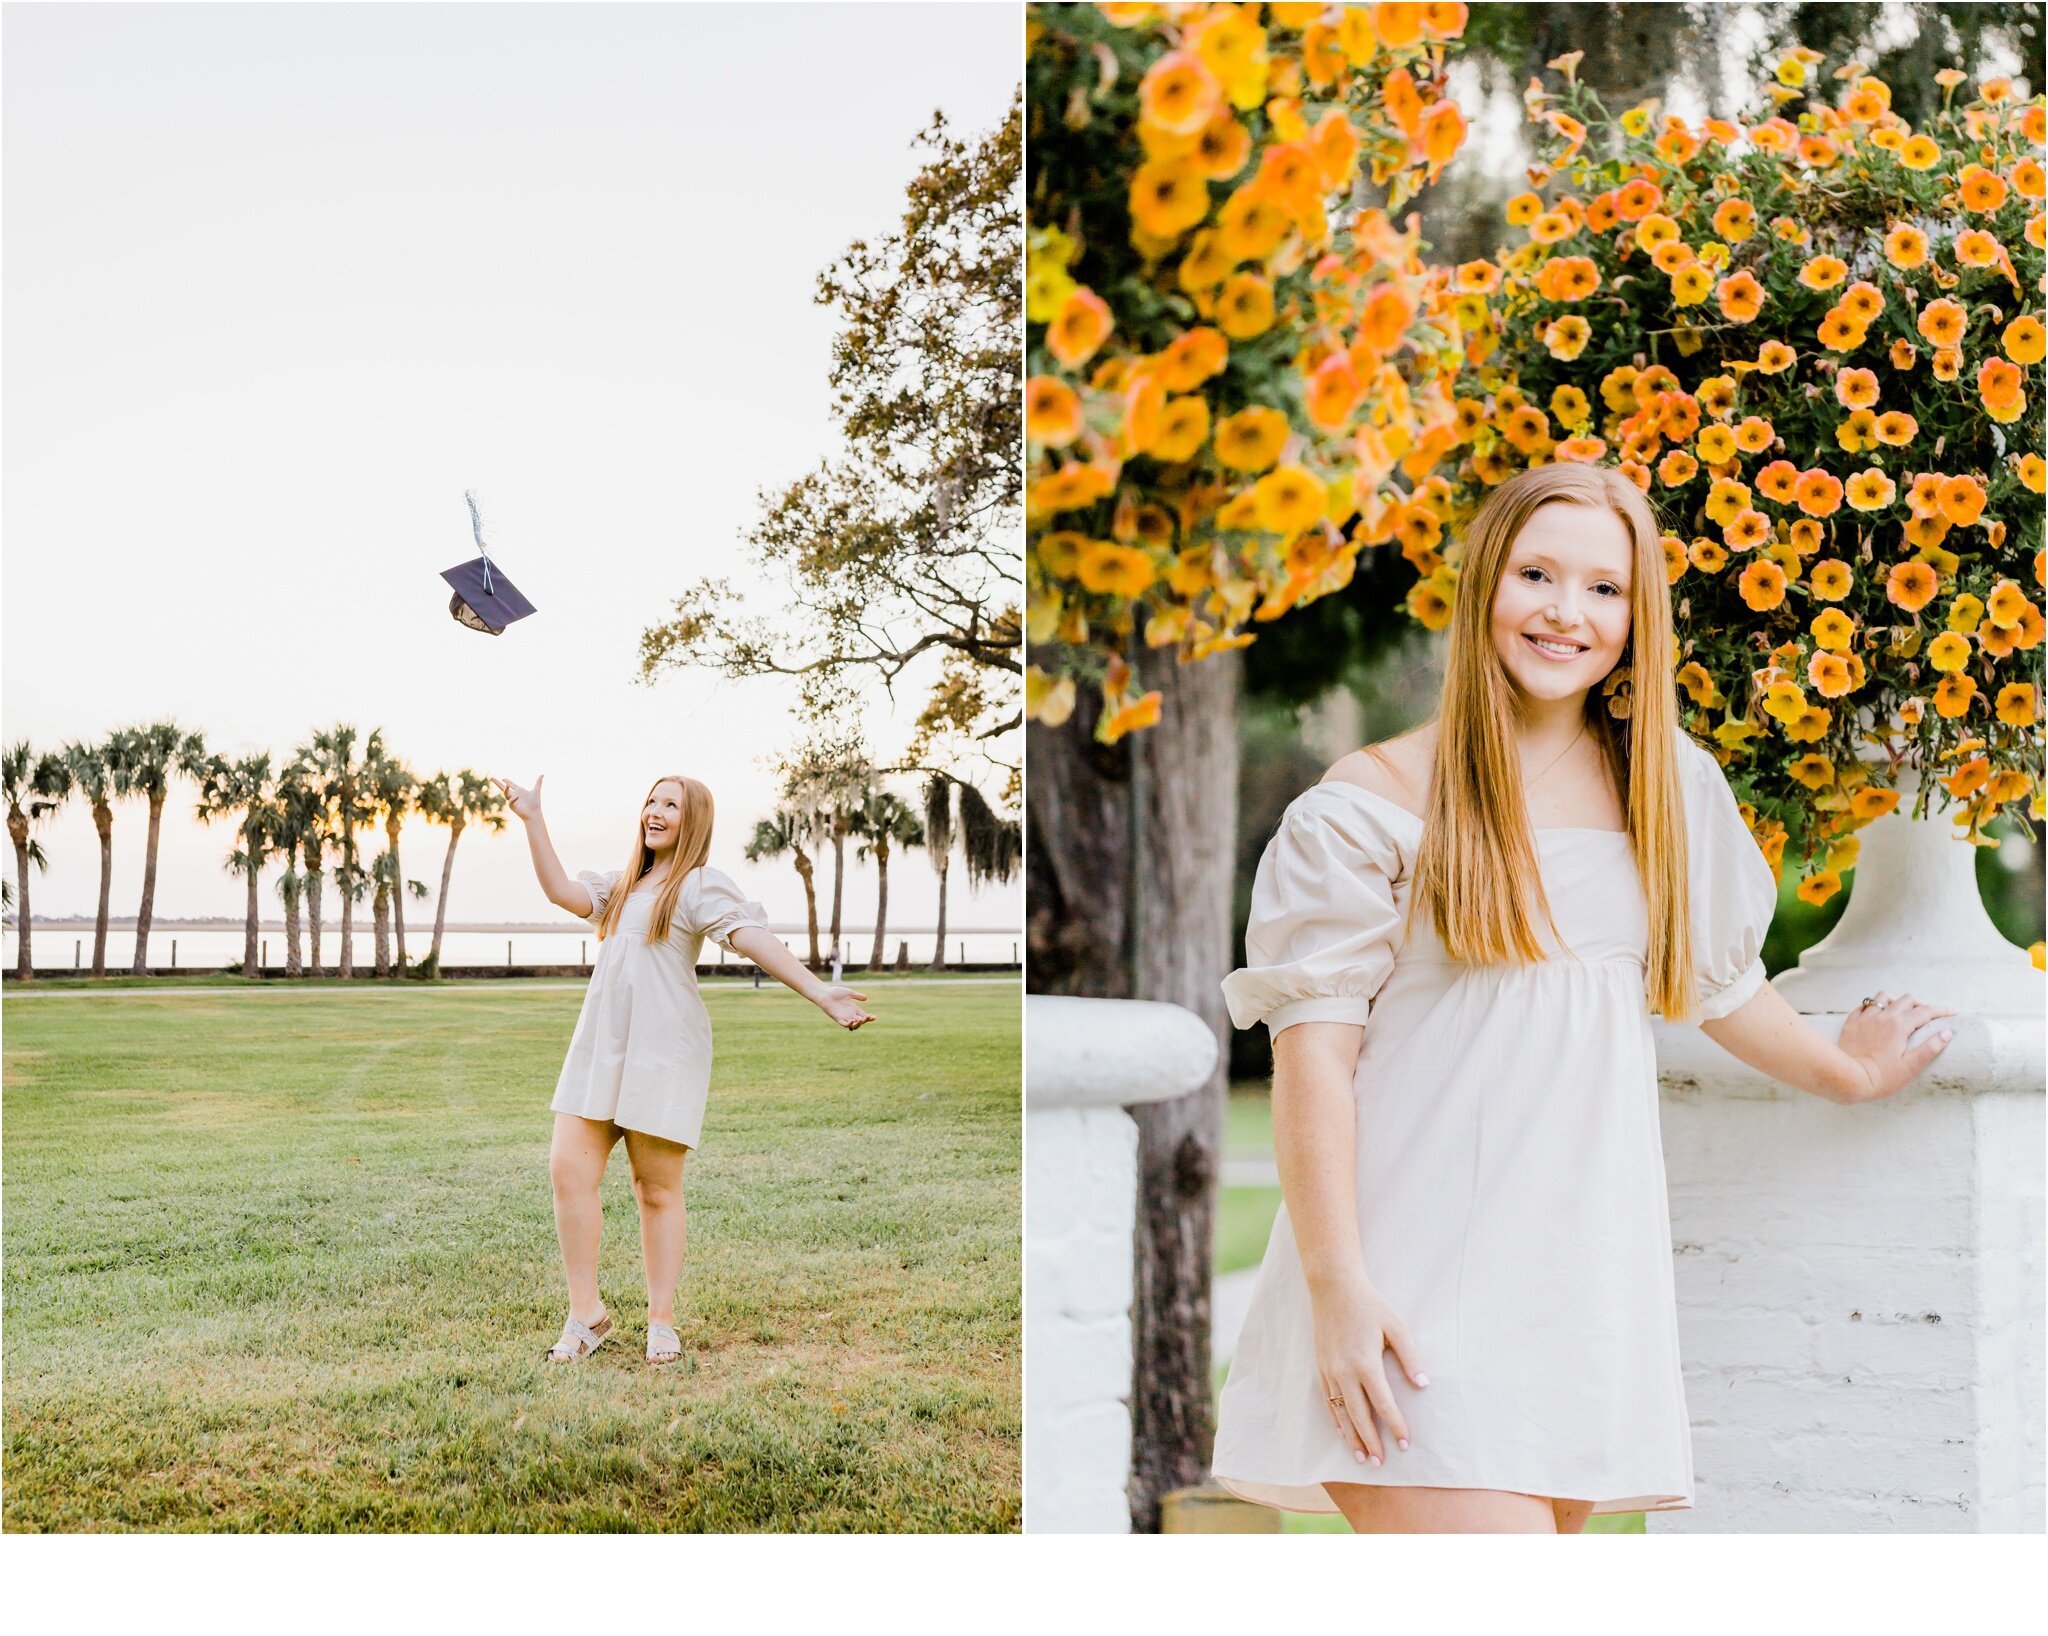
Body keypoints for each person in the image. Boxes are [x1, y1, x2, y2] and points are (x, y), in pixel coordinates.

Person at [1214, 463, 1955, 1534]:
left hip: (1571, 1289)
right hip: (1409, 1288)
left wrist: (1847, 1070)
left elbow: (1715, 986)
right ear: (1483, 588)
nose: (1567, 612)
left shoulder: (1666, 786)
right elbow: (1312, 1064)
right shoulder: (1364, 805)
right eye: (1536, 574)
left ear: (1634, 612)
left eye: (1603, 588)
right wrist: (1337, 1291)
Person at [495, 771, 874, 1366]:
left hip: (662, 1050)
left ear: (691, 820)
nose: (655, 811)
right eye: (650, 800)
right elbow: (560, 891)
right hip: (600, 1045)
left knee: (656, 1190)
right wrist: (534, 820)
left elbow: (752, 939)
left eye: (670, 804)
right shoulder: (622, 885)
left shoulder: (698, 886)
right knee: (568, 1171)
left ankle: (661, 1321)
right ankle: (586, 1314)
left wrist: (819, 992)